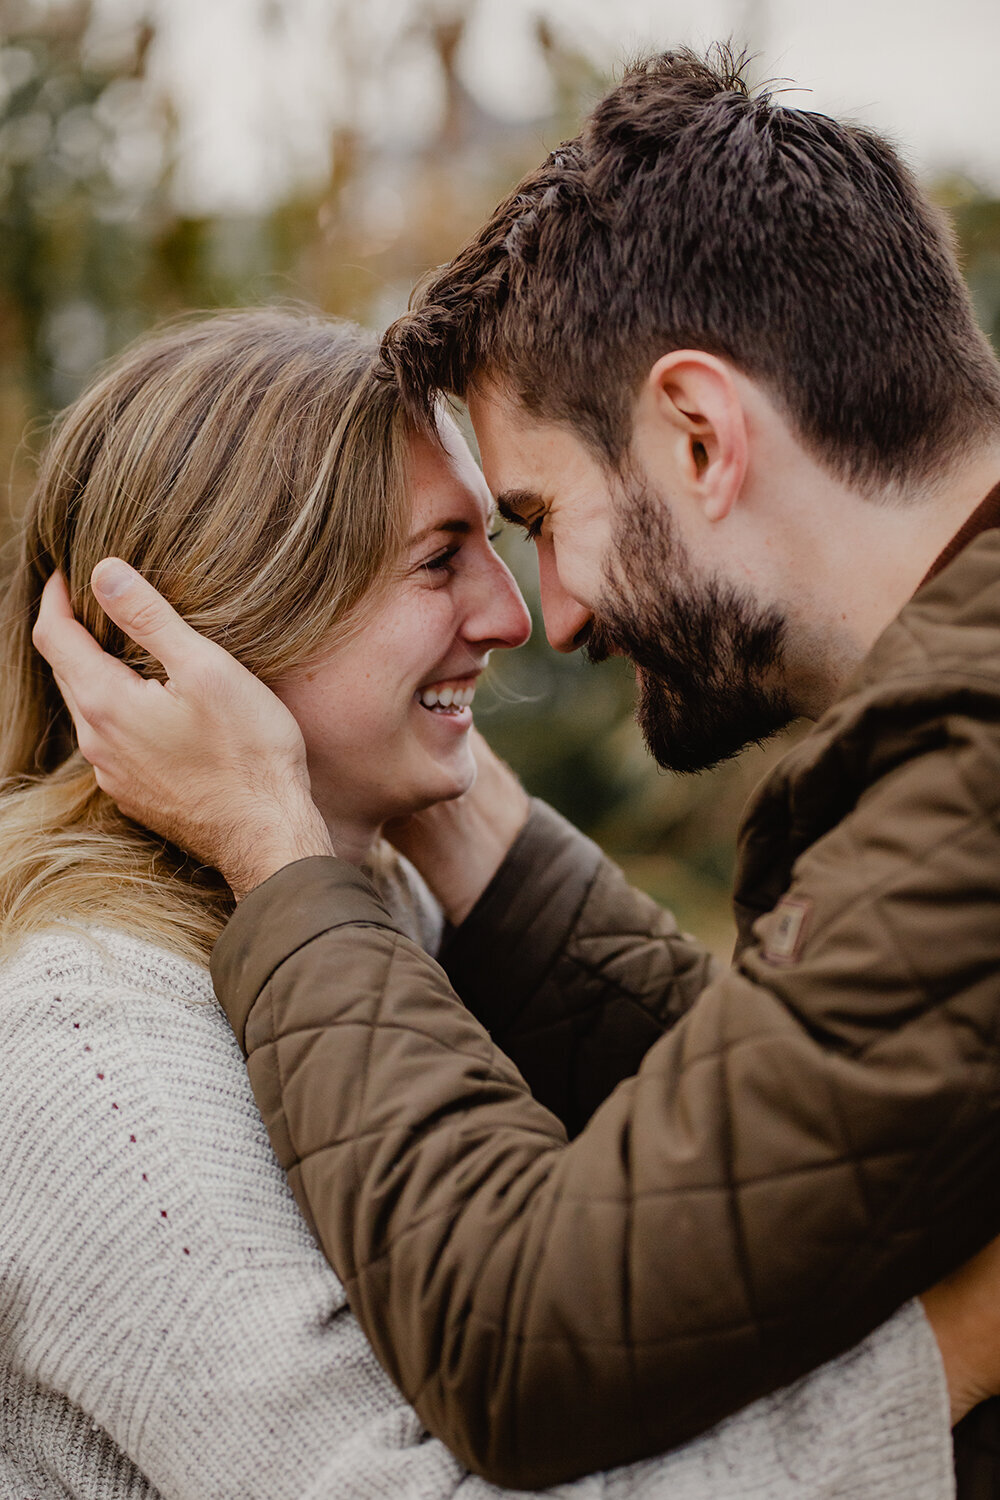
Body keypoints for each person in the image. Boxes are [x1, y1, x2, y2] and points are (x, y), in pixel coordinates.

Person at [30, 46, 1000, 1499]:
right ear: (232, 629)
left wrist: (294, 845)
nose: (537, 619)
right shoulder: (89, 1043)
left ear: (698, 433)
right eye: (452, 556)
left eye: (532, 520)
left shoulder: (967, 778)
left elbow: (543, 1328)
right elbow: (758, 1167)